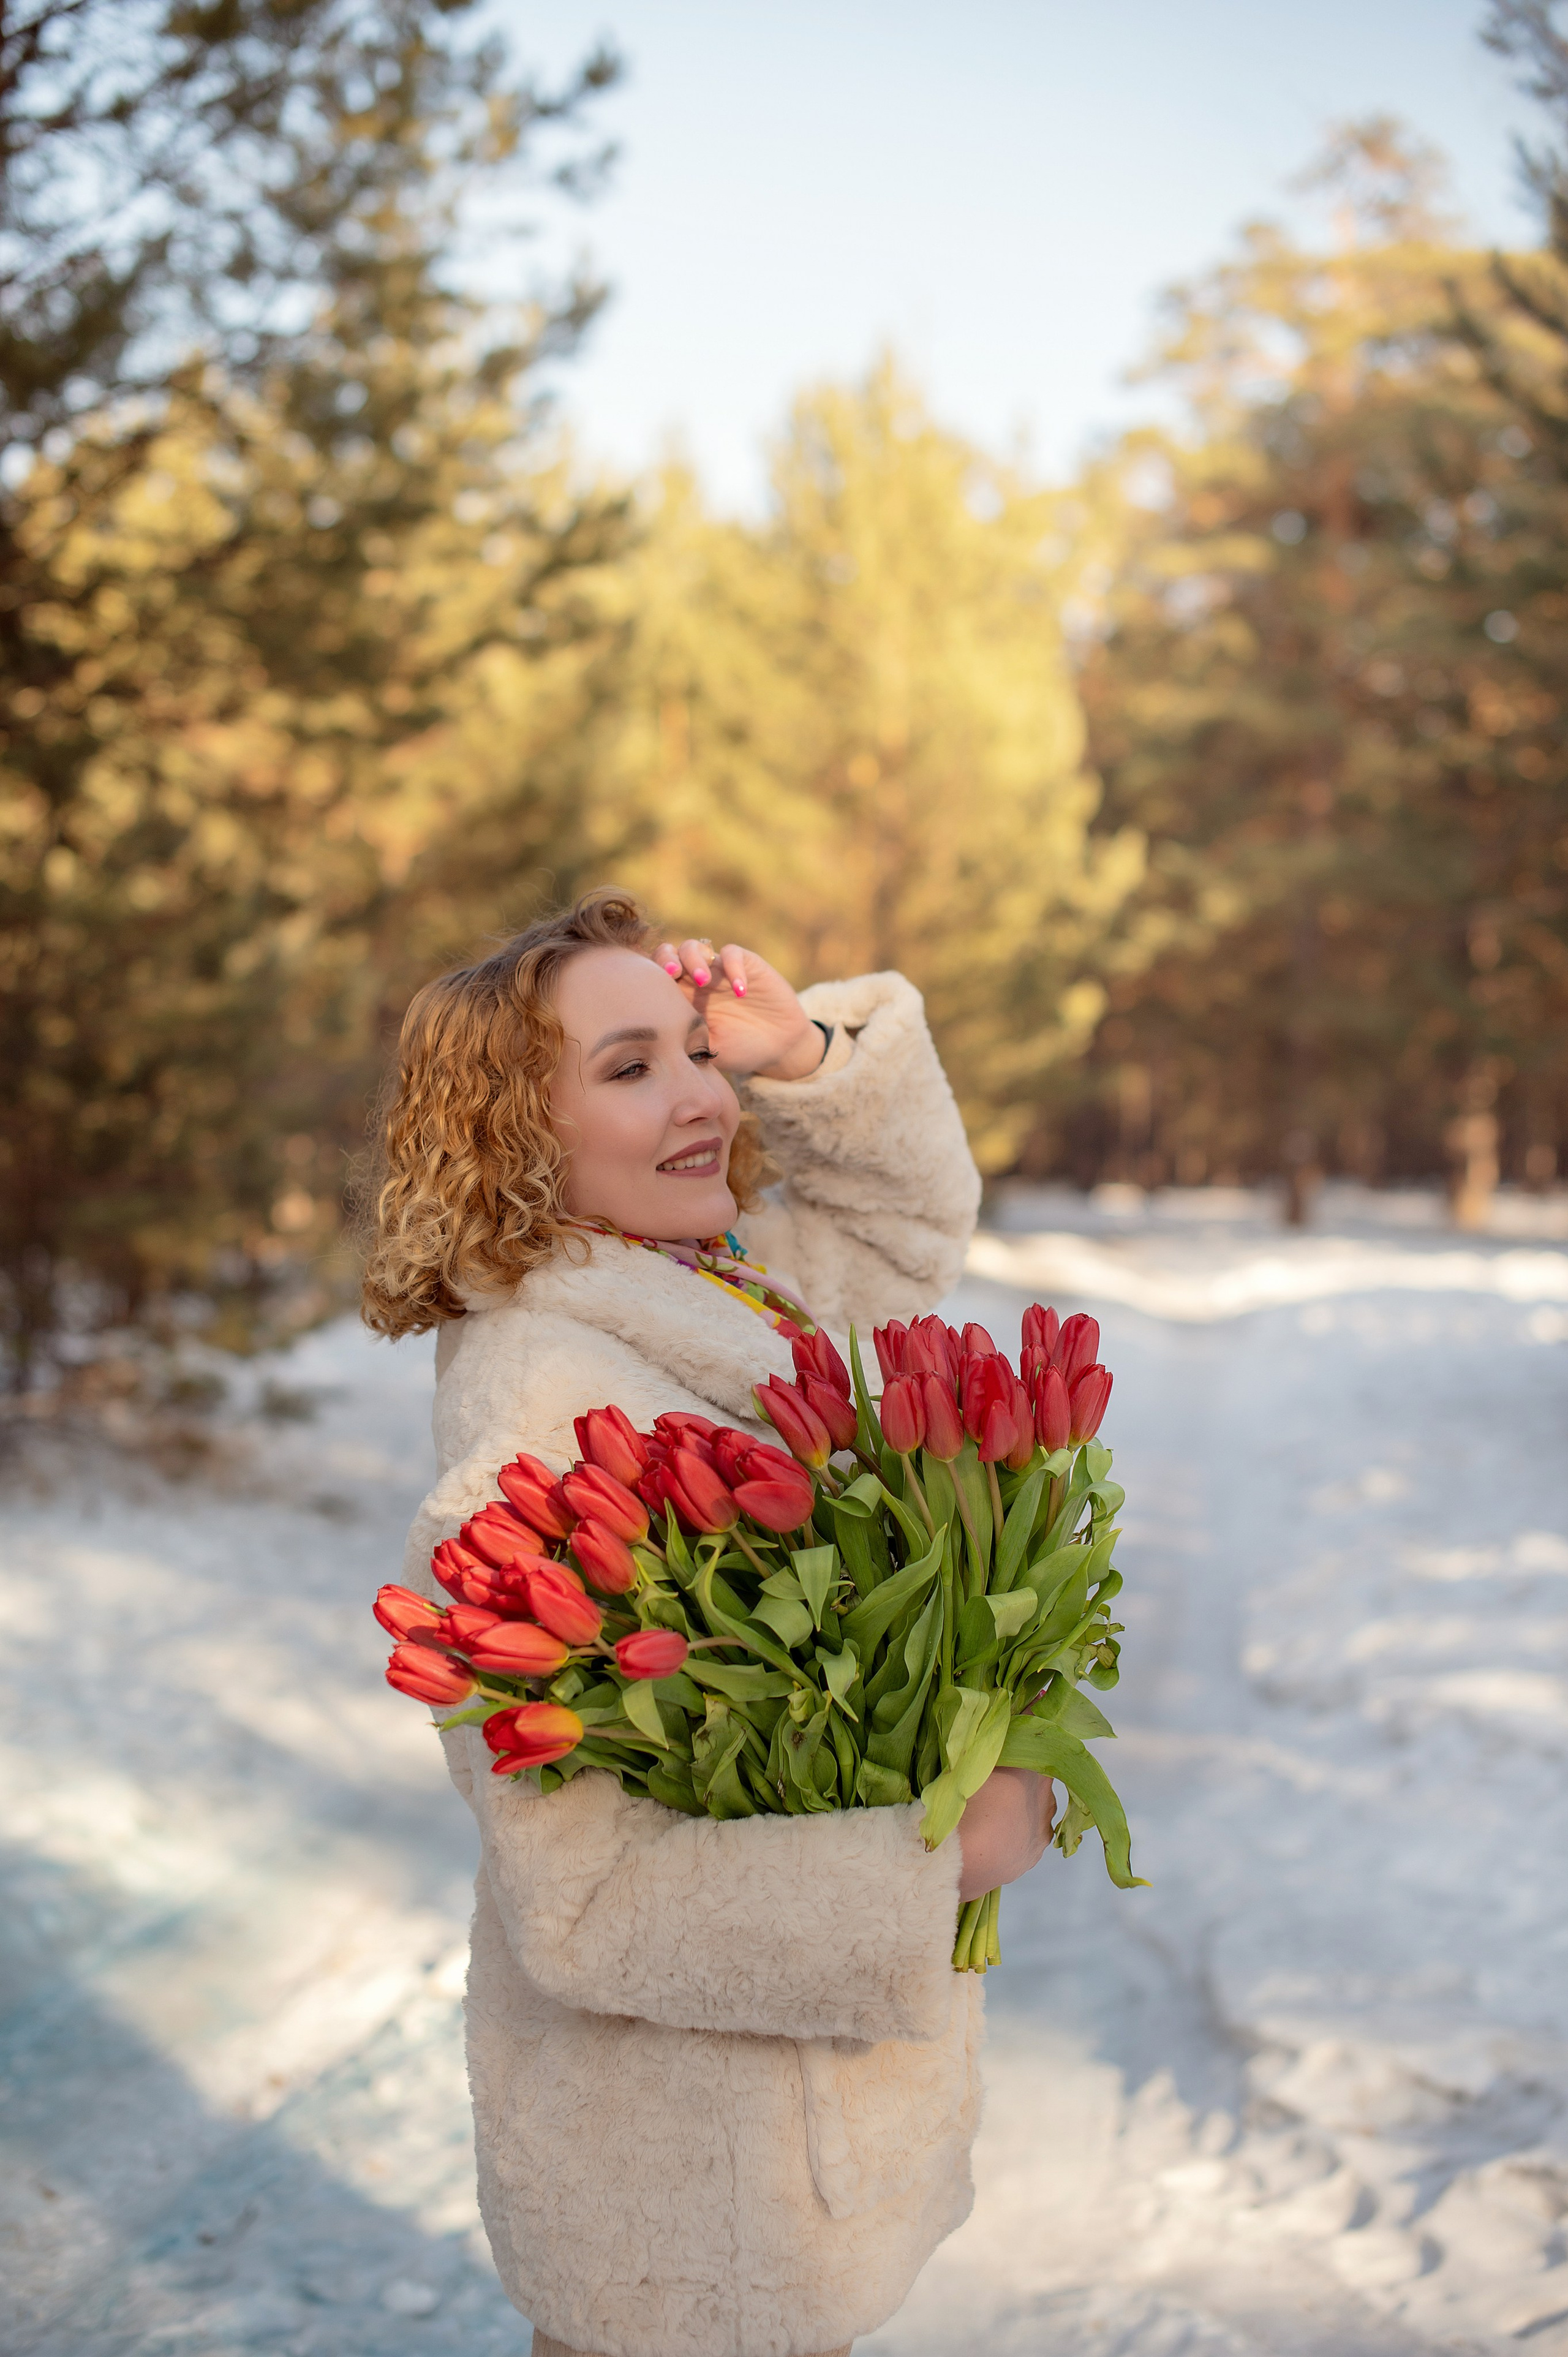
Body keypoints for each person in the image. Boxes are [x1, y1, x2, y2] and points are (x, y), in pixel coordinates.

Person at [363, 888, 1057, 2357]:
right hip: (688, 2218)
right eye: (629, 1068)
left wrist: (802, 1048)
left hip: (779, 2182)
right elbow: (588, 1898)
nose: (699, 1096)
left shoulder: (722, 1292)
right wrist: (933, 1861)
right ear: (517, 1139)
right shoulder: (540, 1416)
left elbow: (899, 1231)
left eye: (692, 1049)